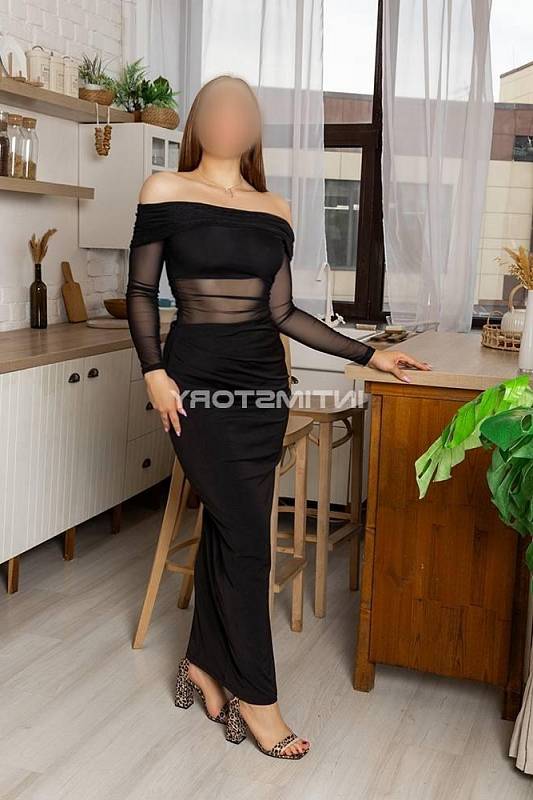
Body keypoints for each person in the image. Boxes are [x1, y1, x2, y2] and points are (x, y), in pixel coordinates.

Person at [126, 73, 431, 761]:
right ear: (197, 122)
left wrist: (369, 354)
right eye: (217, 106)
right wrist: (153, 372)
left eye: (243, 108)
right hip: (196, 386)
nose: (230, 117)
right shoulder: (164, 189)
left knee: (230, 530)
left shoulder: (276, 208)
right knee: (248, 541)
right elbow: (141, 291)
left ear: (254, 126)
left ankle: (203, 666)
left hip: (263, 387)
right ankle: (259, 701)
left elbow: (283, 312)